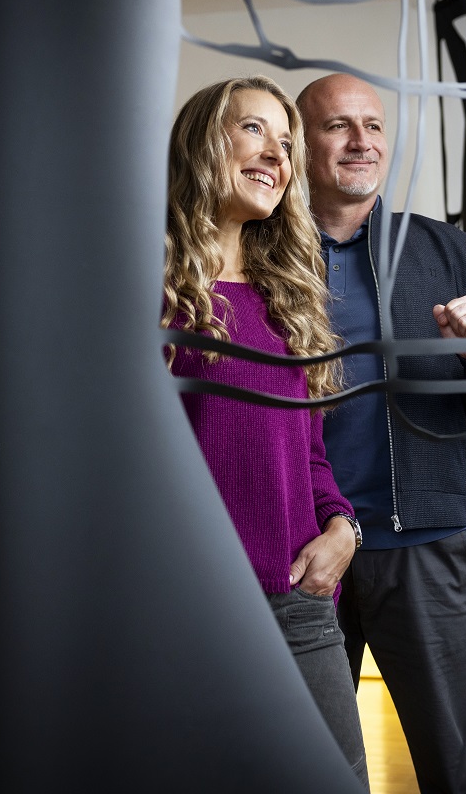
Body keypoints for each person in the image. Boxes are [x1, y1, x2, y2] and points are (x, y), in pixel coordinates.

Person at [296, 73, 466, 793]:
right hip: (301, 553)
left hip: (425, 546)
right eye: (338, 126)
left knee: (457, 773)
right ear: (301, 142)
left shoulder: (443, 248)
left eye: (372, 125)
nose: (361, 141)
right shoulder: (261, 252)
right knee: (302, 767)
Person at [162, 75, 370, 790]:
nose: (277, 156)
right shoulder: (148, 290)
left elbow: (306, 455)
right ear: (202, 144)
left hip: (297, 600)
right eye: (254, 129)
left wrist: (342, 528)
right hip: (183, 606)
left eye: (286, 142)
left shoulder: (288, 299)